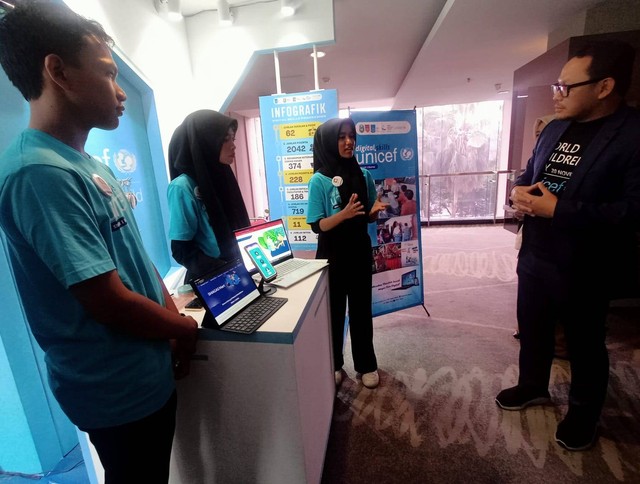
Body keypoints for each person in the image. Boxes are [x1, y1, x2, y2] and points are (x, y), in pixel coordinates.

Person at [0, 3, 199, 483]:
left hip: (145, 371)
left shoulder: (88, 163)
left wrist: (173, 318)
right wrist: (184, 330)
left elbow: (138, 261)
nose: (120, 92)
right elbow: (105, 300)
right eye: (108, 74)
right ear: (58, 71)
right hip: (114, 389)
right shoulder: (41, 172)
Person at [495, 40, 640, 452]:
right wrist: (519, 195)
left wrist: (560, 209)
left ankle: (583, 412)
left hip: (587, 263)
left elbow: (632, 211)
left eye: (566, 87)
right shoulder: (555, 128)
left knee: (585, 342)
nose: (555, 95)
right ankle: (532, 386)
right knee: (534, 329)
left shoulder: (632, 136)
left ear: (605, 86)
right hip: (537, 253)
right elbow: (530, 173)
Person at [307, 118, 388, 389]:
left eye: (351, 136)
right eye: (341, 137)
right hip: (332, 255)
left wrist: (373, 214)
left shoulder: (364, 176)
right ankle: (334, 364)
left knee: (361, 310)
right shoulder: (319, 180)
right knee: (334, 312)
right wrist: (343, 214)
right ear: (331, 141)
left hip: (359, 252)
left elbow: (367, 216)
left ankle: (366, 364)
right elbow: (318, 225)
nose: (348, 142)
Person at [167, 110, 250, 282]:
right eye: (225, 139)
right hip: (211, 277)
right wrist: (224, 271)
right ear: (205, 142)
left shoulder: (221, 175)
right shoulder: (183, 187)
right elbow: (182, 250)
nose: (233, 145)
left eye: (232, 138)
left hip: (238, 268)